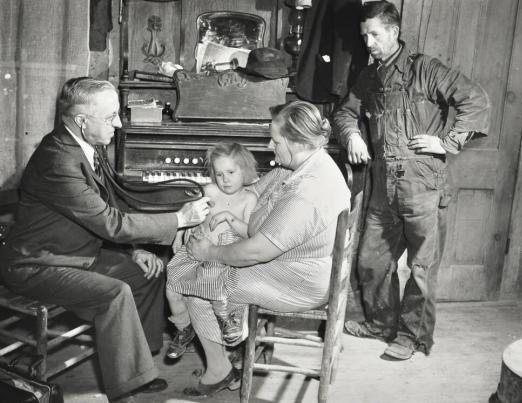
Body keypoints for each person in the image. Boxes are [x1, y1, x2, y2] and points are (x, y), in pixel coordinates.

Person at [0, 77, 211, 401]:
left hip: (73, 253)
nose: (119, 122)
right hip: (36, 263)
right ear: (83, 122)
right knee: (115, 293)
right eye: (111, 115)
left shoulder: (82, 144)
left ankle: (138, 365)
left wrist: (134, 249)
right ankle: (126, 386)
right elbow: (110, 223)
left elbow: (106, 205)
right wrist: (181, 219)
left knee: (148, 272)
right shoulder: (58, 160)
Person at [333, 1, 491, 361]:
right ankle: (380, 323)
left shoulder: (426, 69)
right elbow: (345, 112)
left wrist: (448, 142)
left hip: (422, 185)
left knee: (420, 269)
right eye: (365, 36)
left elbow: (476, 100)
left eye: (375, 34)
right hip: (381, 187)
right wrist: (352, 135)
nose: (369, 42)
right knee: (371, 262)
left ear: (393, 31)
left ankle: (411, 336)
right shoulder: (368, 78)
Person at [172, 100, 350, 398]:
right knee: (210, 255)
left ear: (295, 141)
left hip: (298, 280)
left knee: (196, 280)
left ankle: (221, 366)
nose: (269, 145)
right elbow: (257, 189)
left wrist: (208, 252)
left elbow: (256, 252)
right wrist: (217, 204)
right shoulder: (304, 163)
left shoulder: (309, 191)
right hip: (294, 263)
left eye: (276, 140)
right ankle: (234, 339)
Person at [165, 142, 258, 359]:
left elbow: (250, 234)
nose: (225, 179)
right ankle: (183, 327)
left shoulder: (249, 199)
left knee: (217, 290)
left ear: (245, 170)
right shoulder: (209, 190)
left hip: (224, 255)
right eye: (219, 174)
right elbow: (189, 214)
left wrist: (229, 218)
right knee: (171, 288)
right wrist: (179, 234)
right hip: (197, 249)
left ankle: (226, 321)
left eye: (231, 172)